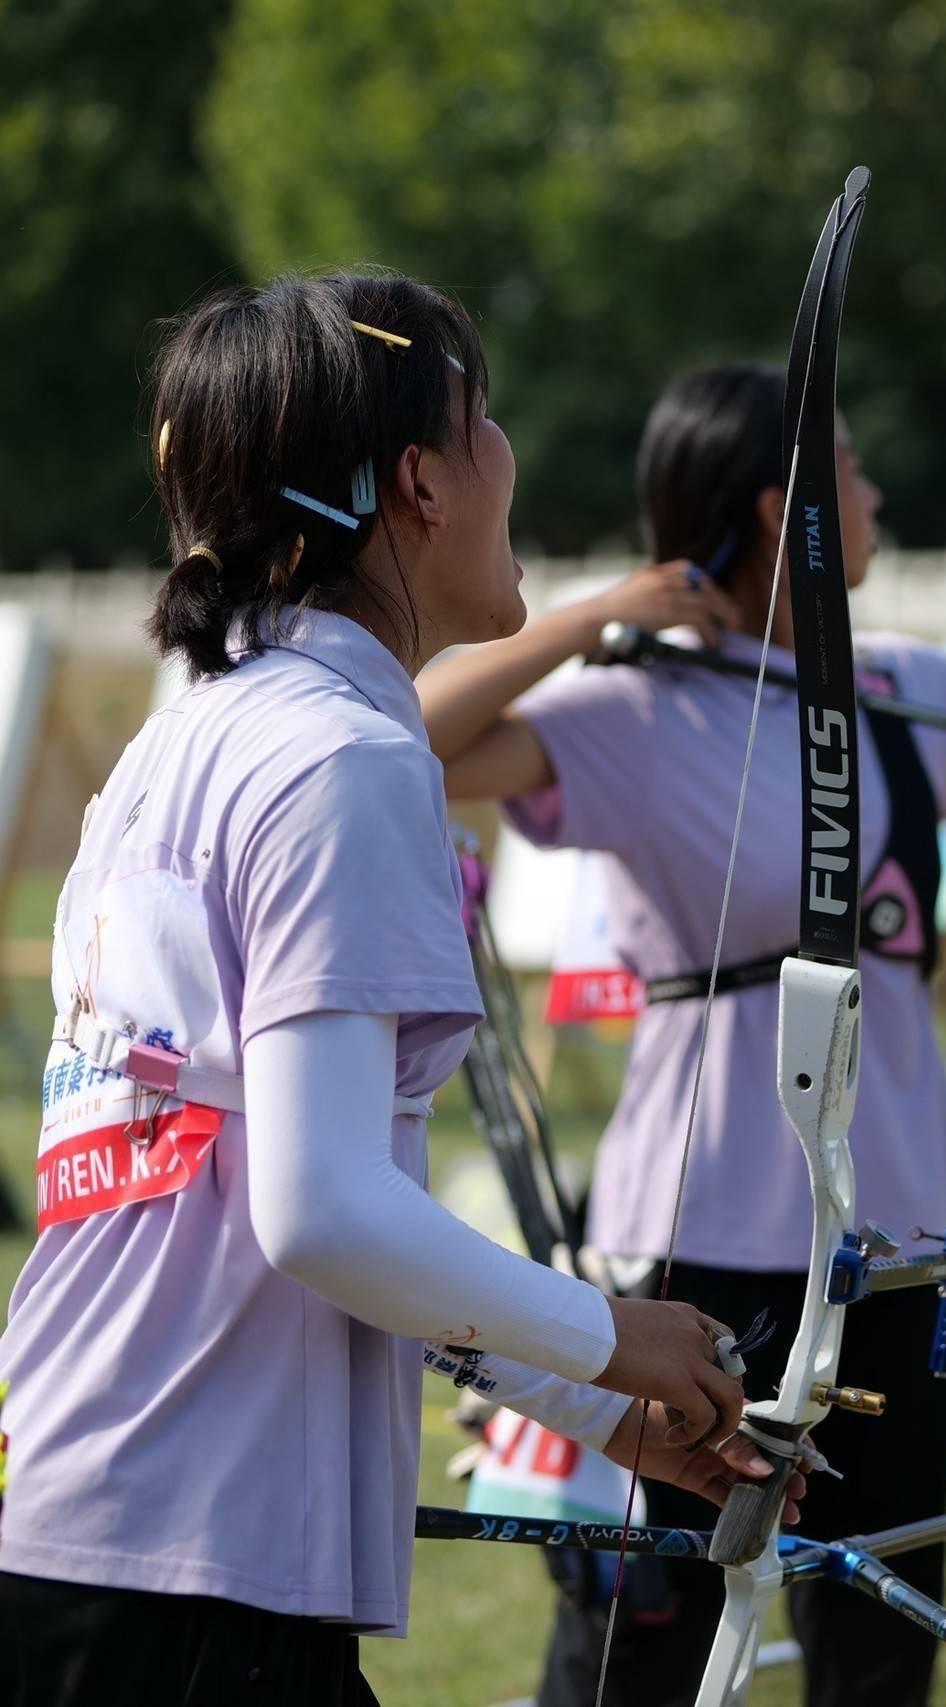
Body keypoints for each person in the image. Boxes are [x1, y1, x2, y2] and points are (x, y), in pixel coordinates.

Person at [0, 276, 797, 1707]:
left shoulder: (179, 754)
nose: (509, 460)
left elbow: (297, 1202)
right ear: (420, 482)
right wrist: (614, 1336)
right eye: (482, 424)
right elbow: (320, 1213)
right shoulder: (340, 763)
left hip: (87, 1540)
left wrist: (587, 1397)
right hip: (187, 1585)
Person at [420, 362, 946, 1707]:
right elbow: (407, 741)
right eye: (852, 475)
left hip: (902, 1228)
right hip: (702, 1230)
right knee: (655, 1615)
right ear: (785, 510)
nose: (874, 495)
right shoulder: (635, 707)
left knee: (882, 1617)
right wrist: (591, 622)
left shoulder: (896, 688)